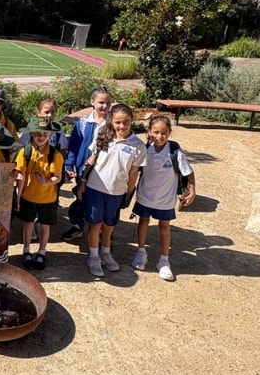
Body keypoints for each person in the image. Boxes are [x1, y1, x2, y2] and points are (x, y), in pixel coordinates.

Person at [77, 103, 147, 277]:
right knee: (95, 224)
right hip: (95, 188)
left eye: (126, 122)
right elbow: (92, 159)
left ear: (132, 121)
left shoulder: (138, 146)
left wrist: (129, 195)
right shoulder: (102, 134)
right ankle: (93, 256)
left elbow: (133, 173)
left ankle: (106, 253)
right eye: (118, 122)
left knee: (109, 225)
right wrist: (83, 181)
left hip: (117, 192)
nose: (122, 126)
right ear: (111, 121)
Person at [131, 115, 196, 281]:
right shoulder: (145, 150)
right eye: (156, 132)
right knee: (143, 221)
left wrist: (192, 190)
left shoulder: (174, 152)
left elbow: (188, 172)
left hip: (165, 199)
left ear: (169, 133)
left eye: (164, 133)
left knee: (164, 228)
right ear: (149, 132)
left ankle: (164, 260)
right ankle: (141, 252)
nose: (160, 136)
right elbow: (134, 170)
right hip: (145, 195)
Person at [62, 87, 112, 241]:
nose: (104, 106)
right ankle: (78, 225)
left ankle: (104, 233)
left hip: (105, 170)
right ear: (92, 102)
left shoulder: (113, 124)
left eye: (108, 102)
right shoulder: (83, 123)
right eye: (101, 102)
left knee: (102, 200)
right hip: (83, 168)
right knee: (81, 196)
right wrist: (69, 165)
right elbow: (74, 146)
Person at [15, 117, 64, 270]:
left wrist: (46, 182)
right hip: (28, 195)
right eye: (37, 134)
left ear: (50, 135)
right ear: (31, 135)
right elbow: (21, 174)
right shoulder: (25, 152)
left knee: (45, 225)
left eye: (45, 134)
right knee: (28, 223)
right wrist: (18, 195)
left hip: (48, 198)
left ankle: (42, 251)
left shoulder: (55, 155)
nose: (41, 137)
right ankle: (27, 250)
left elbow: (58, 177)